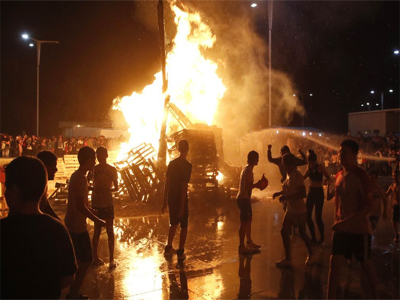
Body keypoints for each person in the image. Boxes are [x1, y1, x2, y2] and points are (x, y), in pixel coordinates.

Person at [0, 156, 77, 299]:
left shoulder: (3, 231)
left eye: (7, 188)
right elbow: (68, 277)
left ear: (14, 190)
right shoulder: (58, 229)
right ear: (43, 190)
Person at [327, 139, 379, 299]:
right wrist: (338, 221)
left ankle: (376, 294)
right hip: (341, 229)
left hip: (359, 230)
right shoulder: (338, 175)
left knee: (365, 264)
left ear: (354, 155)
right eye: (339, 152)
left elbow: (367, 207)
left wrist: (344, 223)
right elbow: (337, 202)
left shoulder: (361, 176)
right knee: (334, 264)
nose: (340, 155)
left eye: (344, 152)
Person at [65, 146, 106, 299]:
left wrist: (91, 210)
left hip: (74, 223)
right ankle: (73, 295)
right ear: (88, 160)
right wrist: (97, 220)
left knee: (80, 260)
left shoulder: (77, 176)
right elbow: (80, 206)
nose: (95, 162)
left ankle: (73, 293)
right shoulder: (81, 178)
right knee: (87, 259)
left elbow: (81, 202)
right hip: (77, 226)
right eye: (93, 159)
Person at [273, 153, 315, 267]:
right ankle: (288, 258)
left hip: (300, 210)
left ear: (288, 164)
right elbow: (287, 189)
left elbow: (302, 193)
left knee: (302, 234)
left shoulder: (297, 176)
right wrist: (279, 193)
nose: (282, 165)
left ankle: (311, 254)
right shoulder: (288, 175)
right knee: (284, 231)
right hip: (291, 209)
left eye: (283, 163)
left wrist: (286, 197)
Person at [162, 140, 192, 261]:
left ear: (178, 149)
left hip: (171, 198)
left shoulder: (172, 163)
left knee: (173, 223)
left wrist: (164, 201)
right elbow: (184, 187)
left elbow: (167, 183)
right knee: (184, 225)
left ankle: (168, 247)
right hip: (181, 199)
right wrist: (182, 206)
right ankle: (180, 251)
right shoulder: (188, 166)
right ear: (188, 150)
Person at [91, 146, 119, 268]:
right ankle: (95, 257)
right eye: (98, 155)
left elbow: (116, 187)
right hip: (97, 203)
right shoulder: (92, 169)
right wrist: (95, 188)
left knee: (109, 230)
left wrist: (108, 189)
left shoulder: (112, 170)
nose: (100, 157)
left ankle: (112, 258)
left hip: (107, 202)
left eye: (102, 155)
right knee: (97, 231)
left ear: (106, 155)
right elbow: (87, 184)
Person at [236, 150, 263, 254]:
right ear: (253, 159)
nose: (258, 160)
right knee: (244, 223)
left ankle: (249, 242)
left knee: (249, 219)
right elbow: (247, 186)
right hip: (243, 199)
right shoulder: (248, 171)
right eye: (257, 158)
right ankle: (241, 246)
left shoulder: (247, 169)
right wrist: (257, 185)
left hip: (245, 198)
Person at [303, 149, 331, 244]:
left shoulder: (320, 167)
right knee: (307, 216)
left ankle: (322, 236)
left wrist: (327, 183)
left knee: (318, 217)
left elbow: (328, 177)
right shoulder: (309, 167)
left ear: (315, 161)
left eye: (312, 162)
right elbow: (304, 177)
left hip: (319, 192)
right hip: (311, 192)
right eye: (310, 163)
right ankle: (313, 237)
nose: (311, 164)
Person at [37, 150, 61, 220]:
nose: (56, 170)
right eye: (53, 166)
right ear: (44, 167)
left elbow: (46, 206)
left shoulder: (43, 184)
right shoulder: (36, 186)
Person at [386, 170, 399, 243]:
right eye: (394, 175)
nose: (395, 177)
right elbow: (386, 195)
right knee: (394, 221)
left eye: (396, 175)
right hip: (396, 205)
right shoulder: (392, 186)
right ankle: (397, 235)